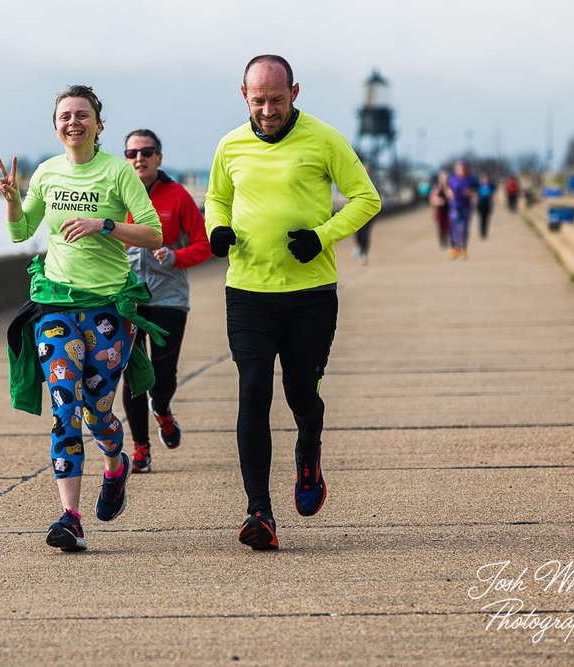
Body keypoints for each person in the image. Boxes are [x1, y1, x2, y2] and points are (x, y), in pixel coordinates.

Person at [205, 55, 381, 550]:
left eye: (276, 100)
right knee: (253, 391)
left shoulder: (324, 139)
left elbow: (367, 198)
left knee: (302, 391)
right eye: (258, 100)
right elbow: (216, 198)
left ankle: (309, 450)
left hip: (310, 296)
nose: (267, 110)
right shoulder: (230, 144)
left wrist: (322, 237)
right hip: (248, 293)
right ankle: (258, 511)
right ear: (244, 96)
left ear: (295, 93)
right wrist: (215, 229)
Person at [0, 85, 164, 553]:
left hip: (109, 307)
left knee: (97, 410)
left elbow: (154, 233)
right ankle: (70, 517)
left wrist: (105, 225)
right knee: (64, 405)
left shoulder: (117, 172)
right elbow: (21, 231)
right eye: (65, 115)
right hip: (54, 303)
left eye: (82, 114)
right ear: (56, 125)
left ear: (98, 123)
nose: (73, 122)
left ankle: (115, 464)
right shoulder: (47, 173)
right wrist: (12, 200)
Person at [120, 129, 212, 474]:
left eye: (146, 152)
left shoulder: (178, 197)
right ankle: (140, 450)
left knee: (162, 375)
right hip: (127, 298)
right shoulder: (117, 195)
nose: (138, 158)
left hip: (169, 298)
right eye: (131, 153)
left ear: (159, 157)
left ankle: (163, 409)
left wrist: (174, 256)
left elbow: (204, 245)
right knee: (132, 375)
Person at [446, 159, 477, 259]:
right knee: (454, 227)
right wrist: (449, 192)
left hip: (466, 207)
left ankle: (463, 248)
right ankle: (454, 248)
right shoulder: (451, 178)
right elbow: (446, 188)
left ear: (466, 168)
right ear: (456, 168)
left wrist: (470, 193)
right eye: (459, 168)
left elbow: (476, 192)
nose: (461, 169)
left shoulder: (471, 179)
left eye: (463, 168)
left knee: (464, 228)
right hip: (454, 206)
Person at [429, 170, 452, 248]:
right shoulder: (436, 188)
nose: (445, 180)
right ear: (440, 179)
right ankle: (442, 240)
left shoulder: (450, 188)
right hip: (440, 211)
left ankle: (446, 238)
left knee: (449, 226)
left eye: (446, 178)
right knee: (441, 227)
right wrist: (438, 201)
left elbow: (453, 198)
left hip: (449, 210)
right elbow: (432, 200)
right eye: (443, 178)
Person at [476, 172, 496, 240]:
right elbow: (475, 192)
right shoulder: (479, 185)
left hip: (488, 204)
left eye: (486, 179)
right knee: (481, 219)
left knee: (486, 219)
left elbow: (493, 194)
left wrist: (493, 201)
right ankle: (482, 232)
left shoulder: (491, 186)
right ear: (481, 179)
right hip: (480, 204)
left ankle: (485, 232)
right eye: (484, 179)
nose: (485, 180)